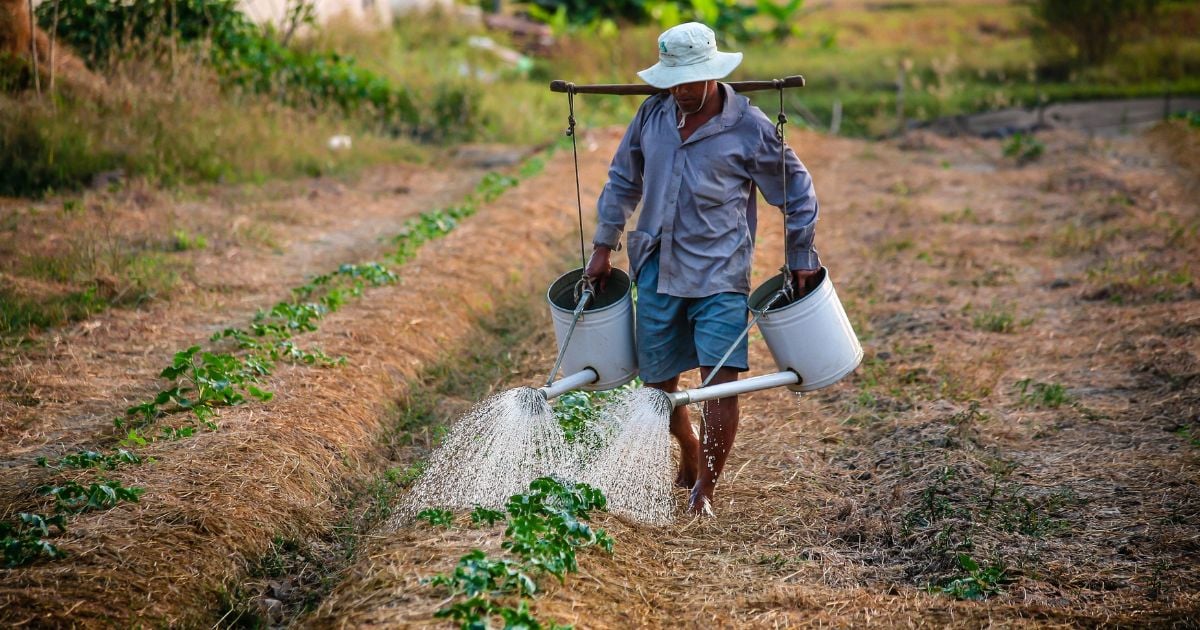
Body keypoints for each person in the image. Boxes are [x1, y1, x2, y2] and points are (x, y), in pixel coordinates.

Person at [584, 22, 821, 516]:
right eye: (673, 80)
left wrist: (800, 254)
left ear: (713, 75)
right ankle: (689, 447)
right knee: (658, 387)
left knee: (721, 383)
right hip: (656, 267)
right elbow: (622, 181)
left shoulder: (749, 127)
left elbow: (797, 192)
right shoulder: (652, 115)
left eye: (691, 81)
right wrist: (603, 246)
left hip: (720, 273)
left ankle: (703, 493)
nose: (682, 90)